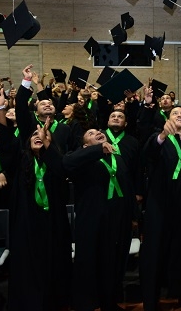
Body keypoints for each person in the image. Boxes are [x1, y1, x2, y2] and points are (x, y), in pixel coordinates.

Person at [0, 86, 72, 310]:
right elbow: (7, 138)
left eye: (42, 135)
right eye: (33, 135)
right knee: (26, 265)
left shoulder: (55, 162)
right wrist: (3, 106)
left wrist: (49, 147)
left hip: (52, 222)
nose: (38, 137)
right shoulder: (19, 159)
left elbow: (62, 169)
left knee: (52, 264)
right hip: (27, 222)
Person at [62, 127, 135, 311]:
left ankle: (108, 302)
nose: (98, 133)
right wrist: (96, 150)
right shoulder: (81, 159)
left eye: (99, 131)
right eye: (91, 133)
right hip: (91, 220)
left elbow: (127, 187)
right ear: (85, 144)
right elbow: (66, 162)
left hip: (115, 218)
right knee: (88, 263)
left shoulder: (117, 158)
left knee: (110, 263)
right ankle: (85, 304)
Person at [140, 104, 181, 311]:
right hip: (159, 204)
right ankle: (152, 297)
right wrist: (161, 136)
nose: (179, 115)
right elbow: (147, 156)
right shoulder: (159, 140)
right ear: (167, 119)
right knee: (155, 251)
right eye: (174, 113)